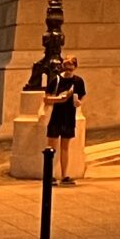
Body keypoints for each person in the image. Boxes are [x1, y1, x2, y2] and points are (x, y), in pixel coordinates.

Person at [43, 57, 86, 185]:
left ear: (75, 67)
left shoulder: (78, 81)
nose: (68, 69)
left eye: (71, 66)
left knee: (65, 147)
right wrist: (60, 99)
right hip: (55, 116)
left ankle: (65, 175)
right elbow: (46, 99)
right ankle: (49, 174)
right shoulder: (56, 80)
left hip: (69, 117)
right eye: (66, 65)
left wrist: (79, 102)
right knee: (51, 147)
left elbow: (82, 96)